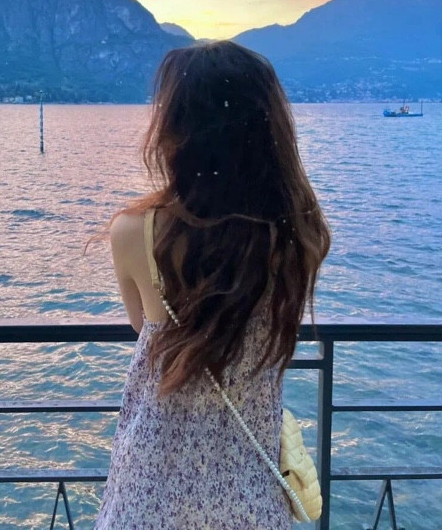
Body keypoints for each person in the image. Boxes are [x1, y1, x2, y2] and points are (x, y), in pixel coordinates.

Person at [94, 41, 331, 529]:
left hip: (150, 491)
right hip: (250, 493)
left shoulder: (134, 232)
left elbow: (142, 323)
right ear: (268, 129)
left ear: (177, 131)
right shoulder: (299, 236)